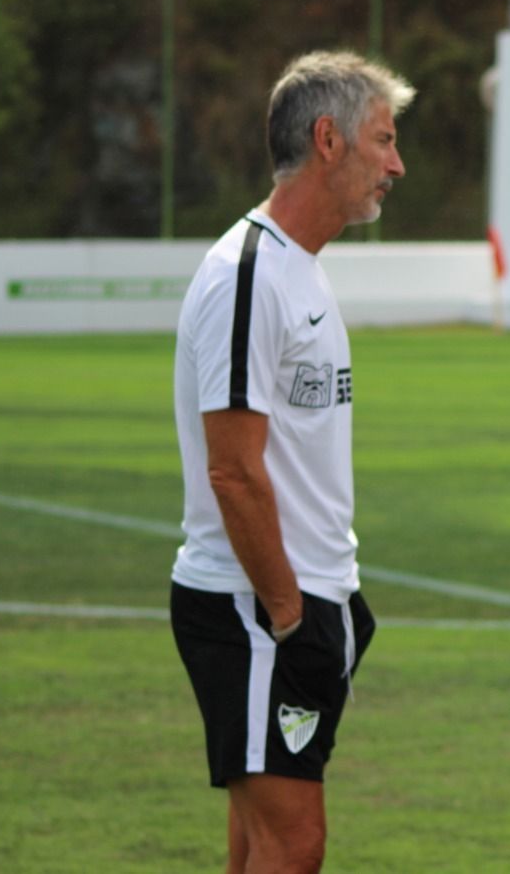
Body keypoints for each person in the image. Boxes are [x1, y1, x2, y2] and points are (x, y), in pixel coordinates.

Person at [170, 51, 412, 874]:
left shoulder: (298, 269)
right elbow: (233, 471)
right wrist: (288, 614)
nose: (396, 165)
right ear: (327, 141)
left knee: (261, 843)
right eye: (384, 140)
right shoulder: (249, 277)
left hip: (303, 601)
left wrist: (328, 600)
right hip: (254, 608)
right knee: (295, 843)